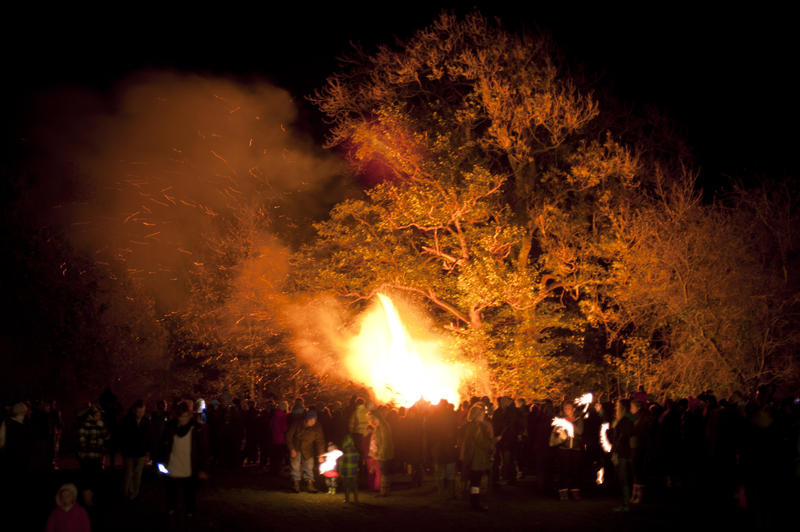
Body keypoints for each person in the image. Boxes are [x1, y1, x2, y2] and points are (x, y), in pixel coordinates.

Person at [156, 402, 210, 517]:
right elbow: (164, 445)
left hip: (189, 466)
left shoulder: (196, 429)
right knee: (172, 490)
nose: (182, 419)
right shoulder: (171, 427)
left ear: (190, 415)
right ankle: (172, 507)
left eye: (185, 416)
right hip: (173, 464)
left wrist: (202, 468)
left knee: (189, 491)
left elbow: (203, 449)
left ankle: (189, 509)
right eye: (180, 416)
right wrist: (161, 461)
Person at [461, 403, 494, 511]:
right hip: (477, 458)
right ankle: (475, 503)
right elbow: (481, 443)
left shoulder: (471, 425)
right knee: (476, 482)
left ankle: (474, 501)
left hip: (473, 458)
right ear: (477, 415)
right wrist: (493, 442)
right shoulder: (477, 427)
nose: (483, 415)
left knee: (474, 481)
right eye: (481, 414)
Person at [549, 401, 585, 501]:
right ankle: (563, 492)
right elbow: (556, 432)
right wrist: (559, 431)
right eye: (565, 408)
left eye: (569, 408)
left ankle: (575, 492)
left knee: (575, 471)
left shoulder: (578, 419)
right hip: (563, 449)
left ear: (574, 409)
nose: (567, 410)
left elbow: (580, 431)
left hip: (575, 449)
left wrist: (570, 424)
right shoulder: (560, 420)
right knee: (563, 470)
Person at [77, 406, 109, 507]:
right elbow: (82, 443)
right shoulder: (85, 425)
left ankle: (92, 500)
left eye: (100, 414)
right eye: (98, 414)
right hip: (87, 458)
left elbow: (107, 436)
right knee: (87, 479)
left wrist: (102, 427)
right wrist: (97, 443)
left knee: (95, 479)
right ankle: (87, 502)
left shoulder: (100, 424)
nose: (99, 416)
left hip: (97, 457)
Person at [286, 409, 325, 493]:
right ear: (306, 419)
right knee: (295, 467)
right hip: (296, 448)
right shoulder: (297, 424)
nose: (312, 422)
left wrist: (321, 454)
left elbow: (320, 441)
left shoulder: (317, 427)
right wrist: (291, 449)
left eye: (314, 420)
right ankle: (296, 484)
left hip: (308, 450)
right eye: (311, 420)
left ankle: (310, 484)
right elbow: (289, 436)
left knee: (309, 467)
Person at [119, 400, 151, 500]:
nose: (140, 414)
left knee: (137, 474)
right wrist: (124, 450)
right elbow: (123, 437)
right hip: (130, 451)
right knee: (129, 473)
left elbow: (148, 438)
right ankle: (126, 491)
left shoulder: (146, 422)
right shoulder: (127, 421)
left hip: (140, 452)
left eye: (142, 412)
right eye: (139, 411)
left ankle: (134, 492)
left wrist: (147, 451)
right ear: (134, 410)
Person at [611, 399, 635, 512]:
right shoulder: (621, 420)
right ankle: (624, 504)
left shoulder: (625, 421)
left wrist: (616, 450)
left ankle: (626, 505)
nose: (616, 407)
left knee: (623, 478)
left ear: (623, 408)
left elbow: (623, 437)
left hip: (623, 453)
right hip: (621, 452)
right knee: (622, 479)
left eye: (617, 405)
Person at [366, 409, 394, 496]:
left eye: (372, 419)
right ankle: (384, 491)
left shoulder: (383, 426)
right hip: (380, 453)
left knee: (384, 472)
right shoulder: (378, 426)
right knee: (383, 472)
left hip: (383, 453)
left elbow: (385, 441)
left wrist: (381, 452)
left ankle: (384, 491)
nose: (370, 421)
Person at [339, 433, 360, 503]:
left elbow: (341, 463)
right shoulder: (355, 451)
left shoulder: (344, 452)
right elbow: (358, 459)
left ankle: (347, 500)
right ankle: (356, 500)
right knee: (354, 486)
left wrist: (340, 472)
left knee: (346, 486)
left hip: (346, 472)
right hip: (354, 472)